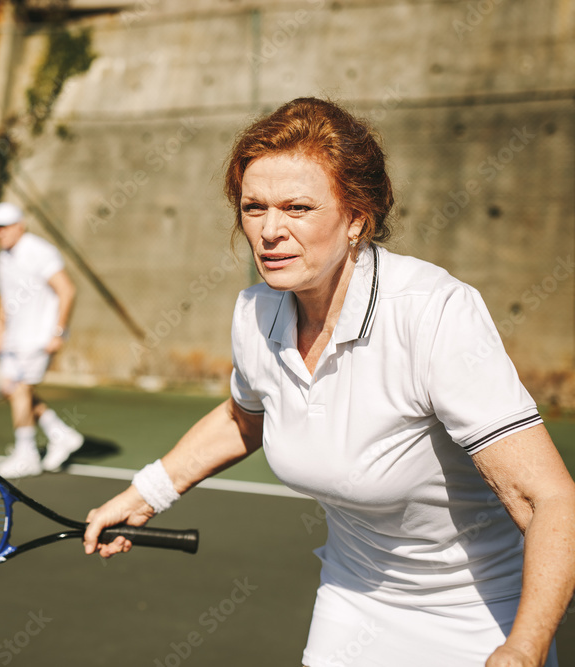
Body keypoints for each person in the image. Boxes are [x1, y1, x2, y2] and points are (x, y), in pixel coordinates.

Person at [82, 98, 575, 667]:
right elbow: (244, 417)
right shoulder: (256, 313)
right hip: (353, 599)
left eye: (297, 207)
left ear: (356, 219)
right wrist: (145, 496)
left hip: (480, 613)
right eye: (253, 207)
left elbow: (547, 499)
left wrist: (524, 648)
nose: (270, 231)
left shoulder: (433, 313)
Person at [0, 201, 85, 478]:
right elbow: (4, 298)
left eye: (4, 226)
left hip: (38, 337)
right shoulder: (4, 257)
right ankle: (60, 433)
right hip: (13, 339)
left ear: (20, 225)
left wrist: (58, 332)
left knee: (18, 388)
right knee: (13, 389)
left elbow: (67, 290)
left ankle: (26, 453)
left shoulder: (39, 251)